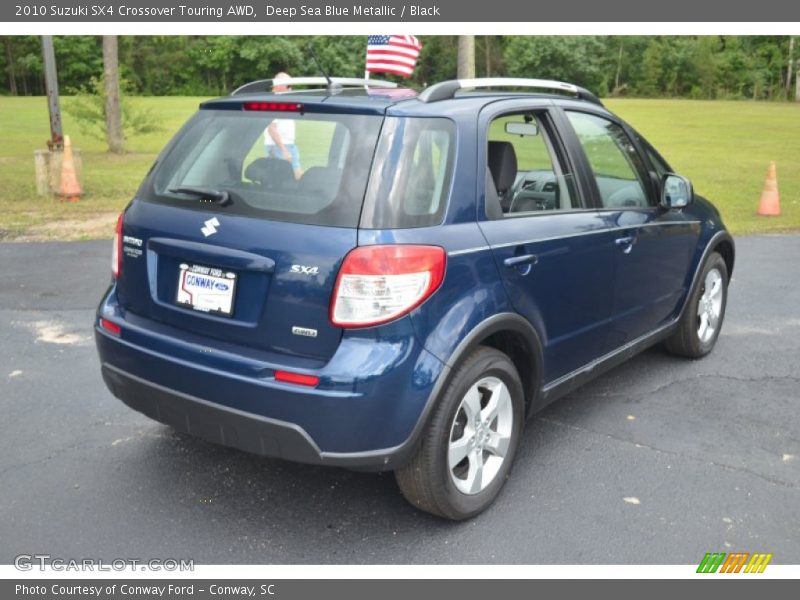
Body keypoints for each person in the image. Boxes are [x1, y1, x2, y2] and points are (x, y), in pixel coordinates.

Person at [264, 72, 302, 179]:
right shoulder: (274, 101)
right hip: (281, 146)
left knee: (281, 178)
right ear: (278, 85)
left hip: (284, 145)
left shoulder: (280, 100)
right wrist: (284, 150)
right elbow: (272, 128)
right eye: (288, 86)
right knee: (294, 176)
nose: (291, 89)